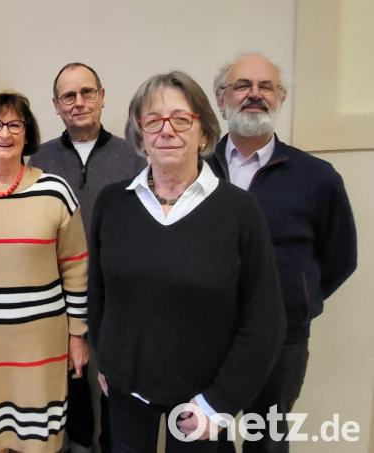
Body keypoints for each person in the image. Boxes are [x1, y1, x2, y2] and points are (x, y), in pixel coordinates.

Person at [88, 71, 286, 452]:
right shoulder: (114, 203)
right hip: (128, 394)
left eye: (181, 119)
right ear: (140, 135)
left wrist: (220, 402)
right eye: (153, 120)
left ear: (204, 133)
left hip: (204, 401)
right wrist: (109, 363)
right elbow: (98, 294)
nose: (167, 130)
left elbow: (265, 319)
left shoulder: (239, 210)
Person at [207, 53, 357, 452]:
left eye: (266, 87)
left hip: (282, 339)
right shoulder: (196, 174)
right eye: (242, 86)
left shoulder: (317, 177)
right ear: (221, 98)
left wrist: (299, 297)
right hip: (206, 336)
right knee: (206, 439)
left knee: (268, 441)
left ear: (280, 98)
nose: (254, 95)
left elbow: (342, 257)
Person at [0, 92, 89, 452]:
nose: (4, 133)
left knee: (41, 439)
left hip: (41, 346)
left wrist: (77, 335)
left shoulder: (54, 191)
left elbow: (75, 267)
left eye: (14, 124)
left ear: (27, 134)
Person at [30, 62, 145, 453]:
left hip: (119, 297)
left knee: (116, 392)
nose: (78, 103)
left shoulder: (133, 156)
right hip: (58, 297)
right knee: (69, 387)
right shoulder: (38, 160)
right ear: (57, 106)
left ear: (101, 97)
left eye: (87, 93)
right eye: (68, 96)